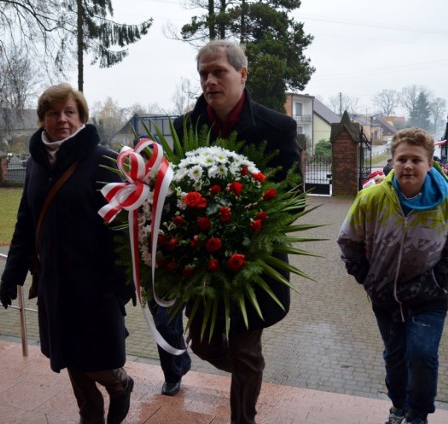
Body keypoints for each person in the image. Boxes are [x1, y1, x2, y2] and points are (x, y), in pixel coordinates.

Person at [173, 39, 300, 424]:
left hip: (254, 261)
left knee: (245, 349)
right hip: (202, 260)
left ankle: (244, 416)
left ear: (242, 74)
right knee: (205, 344)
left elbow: (293, 194)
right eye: (203, 74)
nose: (210, 81)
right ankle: (250, 368)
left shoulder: (277, 128)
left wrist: (250, 224)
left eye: (219, 72)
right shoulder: (185, 127)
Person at [0, 83, 134, 424]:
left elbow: (123, 227)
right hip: (54, 283)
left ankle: (120, 384)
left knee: (95, 358)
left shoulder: (103, 160)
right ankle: (90, 416)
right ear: (43, 119)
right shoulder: (35, 165)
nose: (62, 119)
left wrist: (125, 278)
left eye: (69, 112)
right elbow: (25, 223)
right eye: (53, 113)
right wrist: (11, 275)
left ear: (82, 118)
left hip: (95, 285)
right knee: (71, 356)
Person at [337, 127, 448, 424]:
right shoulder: (371, 198)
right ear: (393, 162)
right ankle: (398, 407)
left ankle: (418, 415)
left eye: (416, 160)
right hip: (385, 296)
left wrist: (432, 283)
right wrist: (367, 278)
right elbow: (348, 240)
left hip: (429, 298)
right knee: (395, 357)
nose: (408, 166)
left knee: (422, 356)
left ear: (429, 164)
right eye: (402, 159)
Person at [149, 300, 191, 396]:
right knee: (170, 324)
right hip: (152, 287)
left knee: (164, 324)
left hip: (176, 287)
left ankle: (172, 376)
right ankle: (183, 363)